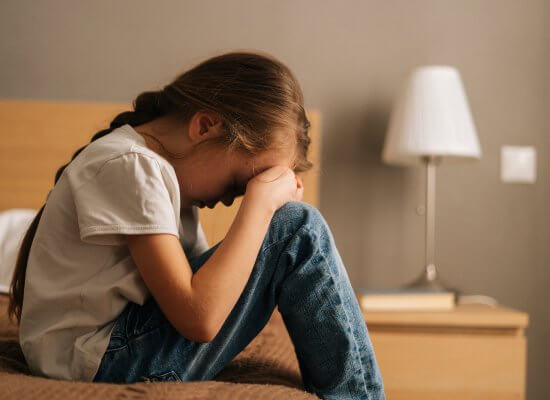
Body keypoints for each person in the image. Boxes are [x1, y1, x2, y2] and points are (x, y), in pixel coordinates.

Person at [7, 51, 385, 399]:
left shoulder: (164, 180)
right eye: (240, 184)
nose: (229, 199)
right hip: (102, 362)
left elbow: (210, 295)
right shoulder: (130, 166)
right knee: (298, 227)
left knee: (291, 227)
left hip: (109, 353)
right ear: (204, 126)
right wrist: (261, 204)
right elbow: (200, 317)